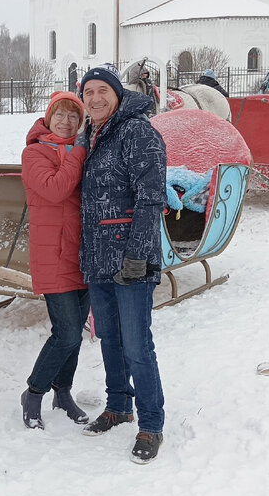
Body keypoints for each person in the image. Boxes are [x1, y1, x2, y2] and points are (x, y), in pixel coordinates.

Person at [77, 64, 168, 464]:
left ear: (117, 94)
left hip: (130, 257)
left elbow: (151, 198)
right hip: (98, 257)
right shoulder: (92, 133)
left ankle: (150, 423)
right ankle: (118, 406)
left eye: (102, 91)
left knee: (136, 344)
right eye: (88, 92)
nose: (95, 98)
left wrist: (138, 255)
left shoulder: (137, 131)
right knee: (109, 340)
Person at [18, 91, 92, 430]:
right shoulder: (34, 153)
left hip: (82, 253)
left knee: (75, 330)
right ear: (48, 118)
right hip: (53, 255)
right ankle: (34, 392)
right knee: (66, 334)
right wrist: (78, 153)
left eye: (74, 116)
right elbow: (56, 189)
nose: (67, 121)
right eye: (60, 115)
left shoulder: (81, 151)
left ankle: (63, 393)